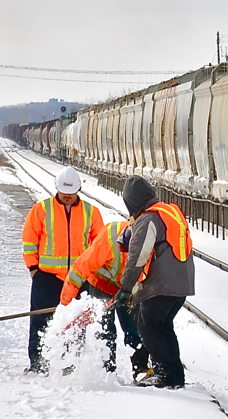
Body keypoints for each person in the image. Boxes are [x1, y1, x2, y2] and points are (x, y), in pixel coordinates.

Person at [113, 176, 194, 389]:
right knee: (163, 327)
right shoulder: (169, 212)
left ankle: (163, 374)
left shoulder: (148, 219)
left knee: (147, 326)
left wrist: (125, 288)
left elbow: (138, 256)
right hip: (181, 284)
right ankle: (175, 376)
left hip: (162, 286)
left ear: (131, 202)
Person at [22, 166, 104, 373]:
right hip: (47, 278)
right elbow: (29, 241)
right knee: (40, 320)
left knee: (76, 323)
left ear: (78, 190)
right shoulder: (41, 210)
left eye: (71, 193)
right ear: (57, 188)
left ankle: (71, 362)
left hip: (78, 279)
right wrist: (33, 268)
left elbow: (99, 245)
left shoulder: (91, 212)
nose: (67, 196)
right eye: (64, 193)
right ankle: (38, 363)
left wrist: (92, 273)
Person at [59, 220, 147, 374]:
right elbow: (79, 269)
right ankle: (107, 368)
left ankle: (140, 369)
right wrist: (66, 302)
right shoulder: (107, 241)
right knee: (105, 326)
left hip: (129, 288)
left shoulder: (148, 244)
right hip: (101, 283)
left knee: (134, 328)